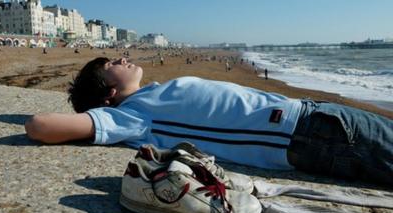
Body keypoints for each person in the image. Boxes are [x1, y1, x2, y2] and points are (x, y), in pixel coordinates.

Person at [25, 57, 393, 185]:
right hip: (313, 133)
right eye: (112, 66)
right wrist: (98, 116)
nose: (122, 60)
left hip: (315, 121)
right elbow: (39, 126)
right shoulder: (130, 115)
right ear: (107, 94)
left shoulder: (147, 97)